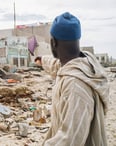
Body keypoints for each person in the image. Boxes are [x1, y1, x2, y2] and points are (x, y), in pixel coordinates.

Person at [37, 12, 109, 146]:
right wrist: (42, 60)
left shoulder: (75, 86)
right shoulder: (82, 65)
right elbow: (57, 65)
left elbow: (70, 140)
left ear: (53, 43)